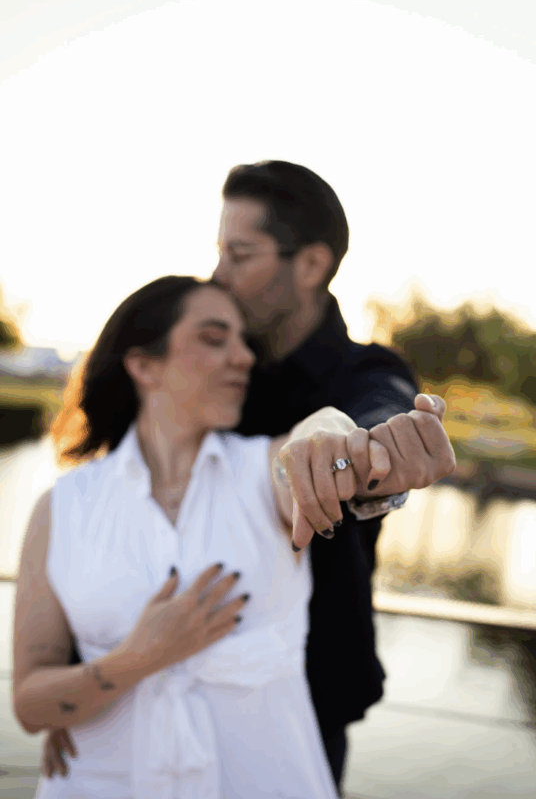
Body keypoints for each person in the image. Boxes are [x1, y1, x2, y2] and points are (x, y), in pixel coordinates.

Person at [40, 161, 456, 793]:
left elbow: (376, 412)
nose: (218, 274)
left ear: (310, 264)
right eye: (219, 253)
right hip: (149, 680)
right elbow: (125, 514)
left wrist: (376, 449)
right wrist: (79, 681)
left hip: (304, 695)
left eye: (238, 255)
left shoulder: (367, 371)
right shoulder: (214, 367)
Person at [13, 275, 347, 798]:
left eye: (244, 342)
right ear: (144, 365)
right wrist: (138, 657)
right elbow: (30, 705)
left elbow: (314, 441)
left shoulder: (265, 473)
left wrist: (330, 429)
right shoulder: (61, 509)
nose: (243, 358)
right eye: (214, 339)